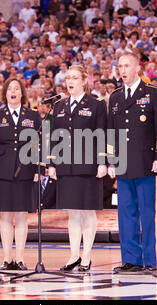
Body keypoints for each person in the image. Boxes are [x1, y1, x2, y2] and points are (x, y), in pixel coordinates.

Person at [107, 52, 157, 273]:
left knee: (149, 213)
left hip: (147, 163)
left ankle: (150, 260)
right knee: (126, 213)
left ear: (137, 69)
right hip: (123, 163)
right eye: (120, 66)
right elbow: (111, 133)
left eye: (127, 65)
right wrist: (111, 161)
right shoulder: (114, 97)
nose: (122, 70)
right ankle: (130, 259)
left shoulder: (153, 93)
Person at [48, 65, 107, 273]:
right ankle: (74, 255)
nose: (70, 81)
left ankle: (87, 256)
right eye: (68, 78)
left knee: (87, 211)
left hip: (88, 164)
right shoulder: (59, 106)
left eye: (74, 77)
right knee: (73, 213)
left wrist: (102, 161)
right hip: (66, 165)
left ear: (84, 80)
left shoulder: (96, 104)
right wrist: (52, 163)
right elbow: (55, 136)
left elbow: (102, 133)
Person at [0, 78, 42, 271]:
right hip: (2, 170)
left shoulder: (33, 115)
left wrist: (39, 168)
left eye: (16, 89)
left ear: (22, 93)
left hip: (26, 169)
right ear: (5, 93)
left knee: (21, 216)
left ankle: (19, 259)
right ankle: (6, 259)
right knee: (5, 216)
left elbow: (38, 143)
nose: (13, 91)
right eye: (10, 88)